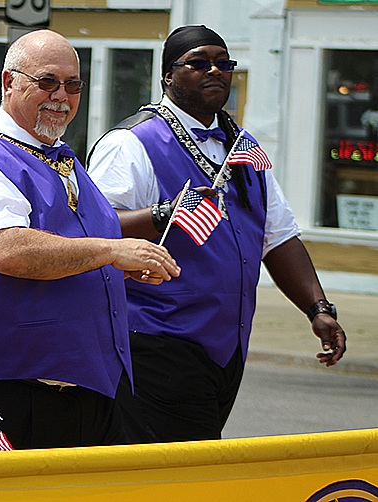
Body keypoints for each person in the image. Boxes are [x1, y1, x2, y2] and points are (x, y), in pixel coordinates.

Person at [87, 24, 347, 443]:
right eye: (200, 62)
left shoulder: (242, 147)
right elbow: (95, 229)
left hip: (225, 345)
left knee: (191, 462)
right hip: (154, 339)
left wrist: (318, 307)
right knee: (173, 468)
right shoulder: (132, 142)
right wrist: (163, 213)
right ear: (168, 75)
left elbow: (278, 236)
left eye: (224, 64)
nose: (215, 71)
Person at [0, 29, 180, 453]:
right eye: (47, 82)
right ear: (9, 82)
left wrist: (115, 267)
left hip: (92, 393)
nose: (61, 96)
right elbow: (7, 250)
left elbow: (75, 251)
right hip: (9, 391)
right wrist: (111, 251)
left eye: (73, 85)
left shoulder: (66, 159)